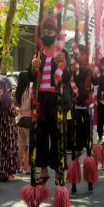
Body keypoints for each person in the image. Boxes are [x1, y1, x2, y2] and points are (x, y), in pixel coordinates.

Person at [29, 17, 70, 184]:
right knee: (40, 135)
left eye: (50, 32)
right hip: (40, 101)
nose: (46, 35)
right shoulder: (37, 54)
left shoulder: (62, 53)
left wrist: (64, 65)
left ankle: (59, 170)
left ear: (56, 34)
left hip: (57, 101)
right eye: (44, 32)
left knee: (58, 135)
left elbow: (66, 78)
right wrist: (33, 67)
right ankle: (44, 170)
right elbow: (31, 77)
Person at [72, 45, 97, 157]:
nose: (81, 56)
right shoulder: (74, 68)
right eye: (79, 54)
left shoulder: (89, 67)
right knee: (77, 127)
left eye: (83, 53)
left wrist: (92, 71)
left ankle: (88, 148)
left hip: (88, 103)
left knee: (88, 127)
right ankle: (78, 147)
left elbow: (96, 82)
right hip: (76, 102)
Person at [0, 77, 19, 182]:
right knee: (10, 151)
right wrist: (17, 109)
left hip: (1, 130)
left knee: (2, 152)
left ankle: (2, 173)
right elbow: (13, 112)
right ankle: (10, 175)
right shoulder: (7, 99)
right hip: (9, 130)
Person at [15, 71, 32, 174]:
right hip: (28, 119)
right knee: (28, 145)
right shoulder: (29, 90)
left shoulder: (17, 91)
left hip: (20, 119)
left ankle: (19, 167)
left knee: (20, 145)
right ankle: (27, 168)